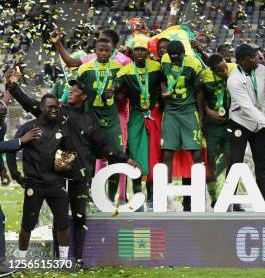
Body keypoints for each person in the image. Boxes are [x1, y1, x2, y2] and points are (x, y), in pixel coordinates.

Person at [5, 70, 137, 266]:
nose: (71, 91)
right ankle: (60, 259)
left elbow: (103, 146)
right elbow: (32, 104)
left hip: (79, 175)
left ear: (84, 97)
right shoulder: (58, 111)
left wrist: (125, 159)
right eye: (71, 88)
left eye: (76, 90)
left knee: (79, 216)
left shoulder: (89, 119)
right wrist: (14, 86)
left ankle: (79, 259)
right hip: (57, 175)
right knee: (60, 219)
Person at [7, 95, 70, 260]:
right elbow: (12, 149)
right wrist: (16, 174)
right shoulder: (29, 128)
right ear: (41, 108)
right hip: (34, 184)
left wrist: (66, 164)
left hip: (57, 184)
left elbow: (70, 153)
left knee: (63, 223)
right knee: (27, 225)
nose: (54, 110)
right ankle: (20, 259)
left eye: (56, 107)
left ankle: (63, 261)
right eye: (50, 107)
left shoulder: (63, 128)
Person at [226, 44, 265, 211]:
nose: (258, 57)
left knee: (263, 161)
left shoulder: (262, 70)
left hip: (261, 123)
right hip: (240, 122)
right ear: (242, 61)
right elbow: (248, 108)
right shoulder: (234, 79)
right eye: (253, 56)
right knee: (235, 161)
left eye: (257, 54)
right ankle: (230, 201)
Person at [114, 35, 163, 210]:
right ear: (133, 53)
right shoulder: (126, 71)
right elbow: (115, 85)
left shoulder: (157, 67)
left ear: (148, 52)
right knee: (134, 154)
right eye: (137, 50)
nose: (140, 53)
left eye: (143, 49)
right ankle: (137, 197)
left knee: (154, 156)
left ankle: (152, 197)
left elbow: (168, 79)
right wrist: (115, 91)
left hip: (154, 114)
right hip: (136, 115)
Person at [75, 36, 124, 202]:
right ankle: (87, 197)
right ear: (94, 50)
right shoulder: (85, 69)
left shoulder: (119, 68)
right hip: (91, 120)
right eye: (100, 50)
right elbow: (74, 92)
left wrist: (117, 92)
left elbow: (125, 91)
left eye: (107, 50)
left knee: (116, 158)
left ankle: (110, 199)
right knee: (88, 159)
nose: (103, 53)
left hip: (111, 121)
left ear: (112, 51)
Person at [160, 40, 205, 211]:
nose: (175, 61)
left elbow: (200, 91)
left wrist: (200, 117)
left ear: (184, 54)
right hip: (171, 111)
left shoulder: (194, 64)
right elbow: (163, 79)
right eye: (173, 59)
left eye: (178, 59)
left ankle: (200, 195)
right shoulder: (165, 59)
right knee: (167, 152)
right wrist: (164, 89)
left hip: (188, 110)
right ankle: (166, 197)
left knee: (196, 151)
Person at [0, 108, 40, 274]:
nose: (3, 110)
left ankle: (1, 262)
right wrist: (21, 141)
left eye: (4, 111)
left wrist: (2, 170)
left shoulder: (1, 126)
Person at [198, 53, 236, 207]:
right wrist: (206, 112)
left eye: (225, 67)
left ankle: (230, 197)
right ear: (212, 70)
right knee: (211, 160)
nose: (225, 72)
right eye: (220, 71)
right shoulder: (204, 76)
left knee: (230, 158)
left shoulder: (233, 71)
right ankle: (214, 197)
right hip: (212, 124)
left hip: (229, 123)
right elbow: (200, 97)